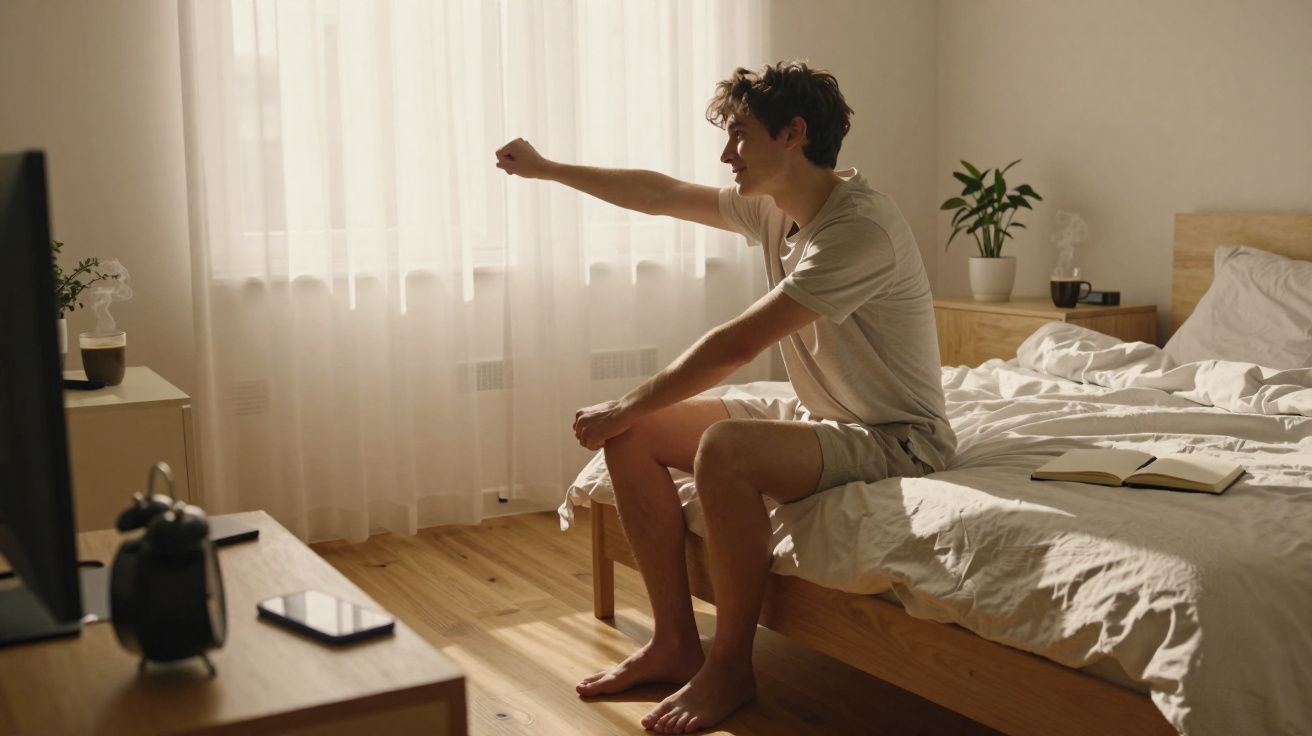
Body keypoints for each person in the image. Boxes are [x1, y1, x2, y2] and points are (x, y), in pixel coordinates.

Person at [494, 60, 955, 735]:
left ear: (794, 134)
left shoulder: (860, 230)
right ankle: (675, 643)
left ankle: (731, 666)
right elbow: (660, 193)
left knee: (722, 448)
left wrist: (628, 401)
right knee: (637, 434)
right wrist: (550, 169)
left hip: (898, 438)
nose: (725, 153)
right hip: (821, 415)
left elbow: (739, 343)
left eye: (740, 136)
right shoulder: (777, 208)